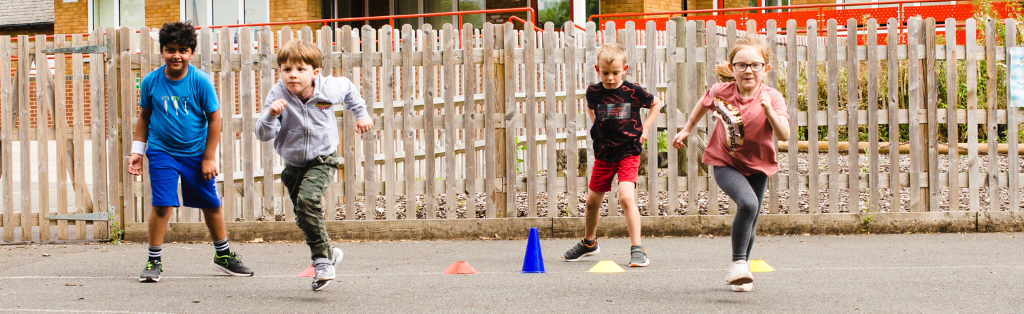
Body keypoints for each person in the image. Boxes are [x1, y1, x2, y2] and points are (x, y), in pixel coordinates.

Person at [128, 21, 253, 283]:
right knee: (162, 205)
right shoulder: (151, 81)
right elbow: (144, 117)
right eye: (170, 49)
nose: (176, 55)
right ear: (162, 51)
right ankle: (153, 260)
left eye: (183, 50)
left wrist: (208, 157)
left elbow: (215, 119)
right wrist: (137, 151)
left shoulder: (200, 81)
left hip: (196, 154)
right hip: (162, 152)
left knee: (211, 204)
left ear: (191, 52)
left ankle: (223, 255)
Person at [671, 35, 791, 292]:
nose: (748, 70)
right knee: (748, 204)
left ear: (765, 69)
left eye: (755, 65)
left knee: (752, 219)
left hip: (759, 165)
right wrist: (686, 129)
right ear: (732, 67)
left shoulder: (773, 97)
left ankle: (742, 271)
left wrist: (769, 111)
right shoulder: (720, 91)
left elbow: (784, 135)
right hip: (725, 161)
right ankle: (737, 263)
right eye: (742, 65)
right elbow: (701, 105)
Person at [255, 39, 374, 291]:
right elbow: (263, 134)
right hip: (293, 165)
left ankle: (321, 261)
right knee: (303, 216)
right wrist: (270, 115)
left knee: (308, 202)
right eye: (287, 70)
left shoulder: (329, 89)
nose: (293, 75)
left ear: (315, 73)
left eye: (300, 69)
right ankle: (330, 254)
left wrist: (361, 114)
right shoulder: (277, 94)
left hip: (323, 159)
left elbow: (350, 89)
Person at [562, 42, 664, 267]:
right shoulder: (593, 91)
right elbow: (591, 106)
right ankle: (589, 244)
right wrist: (595, 124)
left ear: (624, 69)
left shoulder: (632, 91)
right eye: (606, 73)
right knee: (591, 202)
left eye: (615, 73)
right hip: (604, 153)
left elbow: (657, 103)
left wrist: (646, 127)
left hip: (628, 151)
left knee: (626, 197)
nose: (610, 78)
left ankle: (638, 249)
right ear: (598, 70)